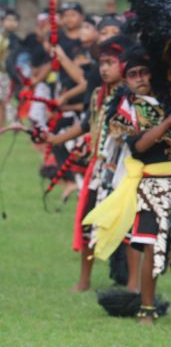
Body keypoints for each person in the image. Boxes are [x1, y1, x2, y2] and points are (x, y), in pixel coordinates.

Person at [92, 45, 171, 324]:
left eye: (144, 72)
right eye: (133, 74)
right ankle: (146, 308)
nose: (139, 78)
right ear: (126, 80)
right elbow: (139, 146)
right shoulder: (125, 110)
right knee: (148, 242)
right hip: (148, 183)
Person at [47, 36, 133, 292]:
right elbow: (87, 124)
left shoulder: (131, 95)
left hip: (125, 169)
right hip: (98, 169)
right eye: (101, 63)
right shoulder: (98, 94)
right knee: (88, 220)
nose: (104, 68)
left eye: (110, 62)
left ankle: (132, 283)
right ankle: (84, 279)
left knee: (128, 226)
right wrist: (55, 138)